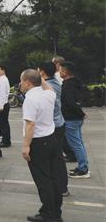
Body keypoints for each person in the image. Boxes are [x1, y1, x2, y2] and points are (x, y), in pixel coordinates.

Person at [20, 69, 62, 222]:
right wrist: (39, 77)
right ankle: (56, 212)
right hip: (51, 138)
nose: (20, 84)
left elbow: (30, 124)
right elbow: (49, 88)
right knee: (53, 177)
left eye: (21, 81)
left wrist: (26, 146)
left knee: (43, 179)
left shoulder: (30, 99)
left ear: (27, 82)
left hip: (38, 142)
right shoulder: (48, 94)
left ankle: (48, 213)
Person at [38, 62, 69, 196]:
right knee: (57, 157)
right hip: (58, 124)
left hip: (54, 126)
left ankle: (61, 187)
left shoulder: (49, 86)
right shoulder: (54, 82)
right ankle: (60, 186)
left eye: (38, 70)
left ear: (42, 72)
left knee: (55, 159)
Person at [60, 61, 90, 179]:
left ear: (65, 72)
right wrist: (81, 113)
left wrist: (81, 113)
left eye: (61, 70)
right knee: (79, 144)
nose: (59, 72)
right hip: (75, 118)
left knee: (76, 145)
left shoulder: (68, 85)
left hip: (70, 118)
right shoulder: (75, 82)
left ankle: (83, 169)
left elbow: (70, 102)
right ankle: (83, 166)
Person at [52, 56, 76, 162]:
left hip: (60, 106)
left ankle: (70, 154)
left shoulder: (58, 75)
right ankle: (70, 153)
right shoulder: (60, 75)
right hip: (62, 106)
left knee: (63, 133)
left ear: (57, 64)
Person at [0, 64, 11, 148]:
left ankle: (6, 141)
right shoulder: (0, 78)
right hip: (0, 103)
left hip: (2, 104)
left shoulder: (3, 80)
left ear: (3, 70)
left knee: (3, 124)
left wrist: (1, 106)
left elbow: (2, 94)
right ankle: (5, 139)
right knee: (2, 123)